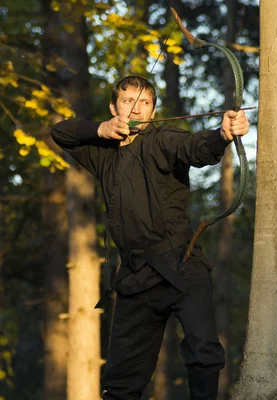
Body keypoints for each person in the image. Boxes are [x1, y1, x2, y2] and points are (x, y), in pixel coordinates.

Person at [51, 75, 250, 400]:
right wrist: (101, 129)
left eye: (144, 103)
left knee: (204, 356)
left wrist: (222, 134)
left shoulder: (162, 140)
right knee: (120, 384)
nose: (136, 109)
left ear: (154, 111)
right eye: (128, 101)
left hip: (182, 265)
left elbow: (195, 148)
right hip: (135, 276)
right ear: (114, 107)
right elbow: (60, 132)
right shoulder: (103, 154)